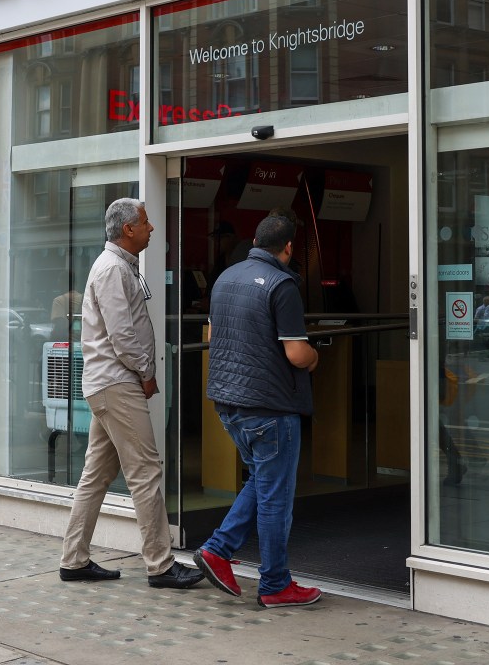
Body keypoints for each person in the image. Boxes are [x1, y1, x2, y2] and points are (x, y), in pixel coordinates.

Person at [59, 197, 204, 590]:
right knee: (146, 471)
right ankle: (160, 565)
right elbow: (122, 335)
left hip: (109, 384)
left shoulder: (118, 266)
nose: (151, 228)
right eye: (145, 222)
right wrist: (146, 373)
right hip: (118, 383)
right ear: (128, 229)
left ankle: (74, 560)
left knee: (96, 475)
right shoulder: (112, 269)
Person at [193, 214, 322, 608]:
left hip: (228, 403)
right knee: (275, 498)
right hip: (271, 407)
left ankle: (217, 550)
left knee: (263, 481)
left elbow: (214, 335)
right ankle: (275, 585)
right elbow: (296, 353)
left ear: (253, 241)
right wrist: (315, 357)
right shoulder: (283, 285)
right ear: (289, 248)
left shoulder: (225, 278)